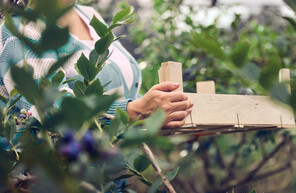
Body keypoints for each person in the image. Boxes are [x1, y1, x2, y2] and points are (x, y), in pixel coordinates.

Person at [0, 0, 193, 129]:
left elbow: (126, 95)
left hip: (115, 181)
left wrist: (160, 106)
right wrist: (134, 112)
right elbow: (49, 114)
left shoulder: (88, 14)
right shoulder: (21, 30)